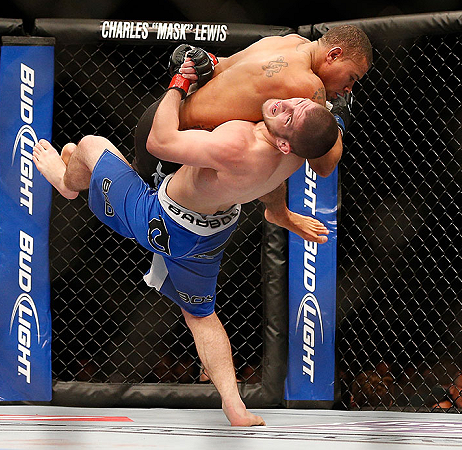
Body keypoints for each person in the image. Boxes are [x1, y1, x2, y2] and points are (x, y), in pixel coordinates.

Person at [32, 63, 338, 425]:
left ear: (284, 142)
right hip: (212, 234)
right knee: (200, 314)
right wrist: (282, 214)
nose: (284, 106)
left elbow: (158, 141)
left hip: (159, 217)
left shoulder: (239, 141)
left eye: (289, 117)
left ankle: (67, 183)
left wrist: (180, 83)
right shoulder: (296, 154)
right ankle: (235, 406)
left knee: (88, 146)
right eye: (294, 103)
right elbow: (284, 176)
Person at [132, 24, 372, 243]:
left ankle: (278, 213)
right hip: (174, 143)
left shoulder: (288, 41)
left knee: (272, 147)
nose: (348, 89)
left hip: (163, 112)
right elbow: (324, 164)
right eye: (352, 78)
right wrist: (339, 115)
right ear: (334, 55)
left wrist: (203, 60)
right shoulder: (308, 87)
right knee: (293, 144)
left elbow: (219, 65)